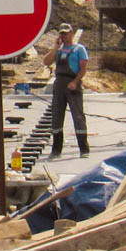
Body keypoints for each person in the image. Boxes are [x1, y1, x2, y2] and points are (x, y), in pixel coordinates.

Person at [46, 23, 89, 158]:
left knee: (78, 116)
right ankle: (56, 149)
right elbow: (46, 62)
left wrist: (75, 82)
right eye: (62, 34)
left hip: (73, 83)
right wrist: (55, 47)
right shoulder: (58, 51)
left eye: (66, 33)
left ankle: (84, 148)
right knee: (57, 116)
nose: (64, 36)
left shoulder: (79, 49)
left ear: (71, 33)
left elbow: (83, 69)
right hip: (59, 83)